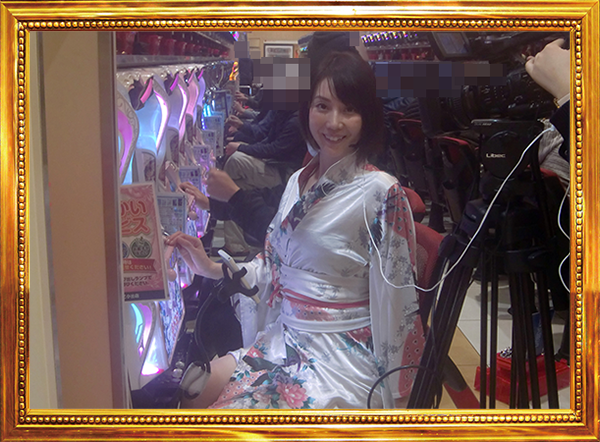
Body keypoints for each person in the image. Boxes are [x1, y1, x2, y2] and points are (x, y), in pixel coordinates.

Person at [167, 51, 424, 409]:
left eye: (349, 110)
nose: (334, 122)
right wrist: (209, 267)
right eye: (322, 106)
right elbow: (274, 264)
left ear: (367, 117)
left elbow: (398, 298)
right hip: (284, 336)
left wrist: (399, 394)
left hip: (341, 353)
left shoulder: (382, 193)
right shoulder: (297, 181)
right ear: (307, 109)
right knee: (192, 391)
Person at [180, 169, 284, 247]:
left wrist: (235, 196)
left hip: (279, 257)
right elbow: (270, 197)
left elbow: (276, 235)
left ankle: (236, 247)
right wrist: (210, 204)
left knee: (233, 162)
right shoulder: (291, 186)